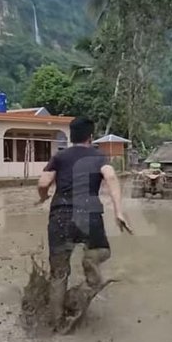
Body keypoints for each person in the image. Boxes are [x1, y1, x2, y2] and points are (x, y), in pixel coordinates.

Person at [37, 117, 130, 329]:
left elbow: (43, 182)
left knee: (59, 273)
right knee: (102, 253)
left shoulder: (59, 156)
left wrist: (43, 197)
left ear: (71, 136)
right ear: (90, 136)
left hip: (60, 216)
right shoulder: (99, 157)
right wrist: (118, 211)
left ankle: (56, 322)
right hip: (89, 215)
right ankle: (80, 289)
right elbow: (112, 177)